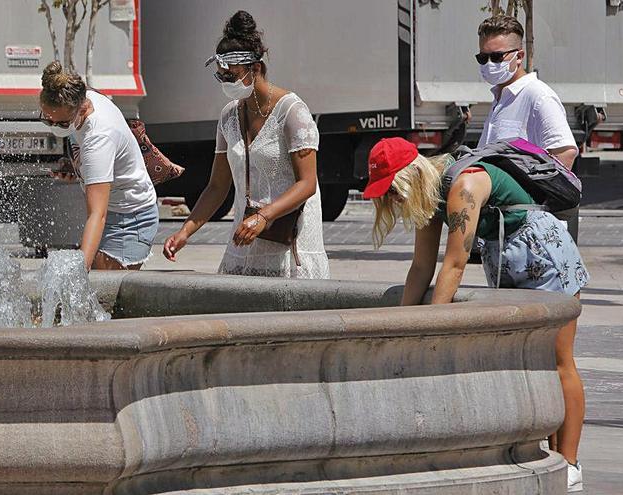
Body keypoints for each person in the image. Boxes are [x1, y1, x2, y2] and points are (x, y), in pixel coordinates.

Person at [364, 137, 588, 493]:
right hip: (507, 261)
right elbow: (421, 267)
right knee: (531, 364)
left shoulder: (463, 184)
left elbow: (453, 265)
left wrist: (435, 331)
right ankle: (553, 455)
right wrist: (404, 327)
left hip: (545, 257)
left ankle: (571, 463)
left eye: (392, 191)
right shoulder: (431, 195)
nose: (392, 200)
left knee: (559, 362)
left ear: (410, 176)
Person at [162, 10, 329, 279]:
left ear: (256, 68)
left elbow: (307, 183)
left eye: (231, 76)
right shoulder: (229, 116)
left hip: (289, 241)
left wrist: (264, 216)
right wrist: (185, 232)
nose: (226, 82)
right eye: (221, 77)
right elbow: (217, 187)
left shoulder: (292, 112)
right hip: (245, 239)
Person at [40, 61, 158, 271]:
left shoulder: (99, 138)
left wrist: (79, 274)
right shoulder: (82, 96)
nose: (54, 127)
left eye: (61, 124)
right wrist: (77, 168)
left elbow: (98, 214)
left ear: (82, 108)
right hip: (114, 211)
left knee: (102, 294)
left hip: (128, 220)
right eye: (47, 120)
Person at [476, 15, 578, 167]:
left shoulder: (538, 96)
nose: (489, 64)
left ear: (519, 57)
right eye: (483, 57)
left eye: (497, 57)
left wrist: (525, 188)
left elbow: (565, 153)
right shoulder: (502, 96)